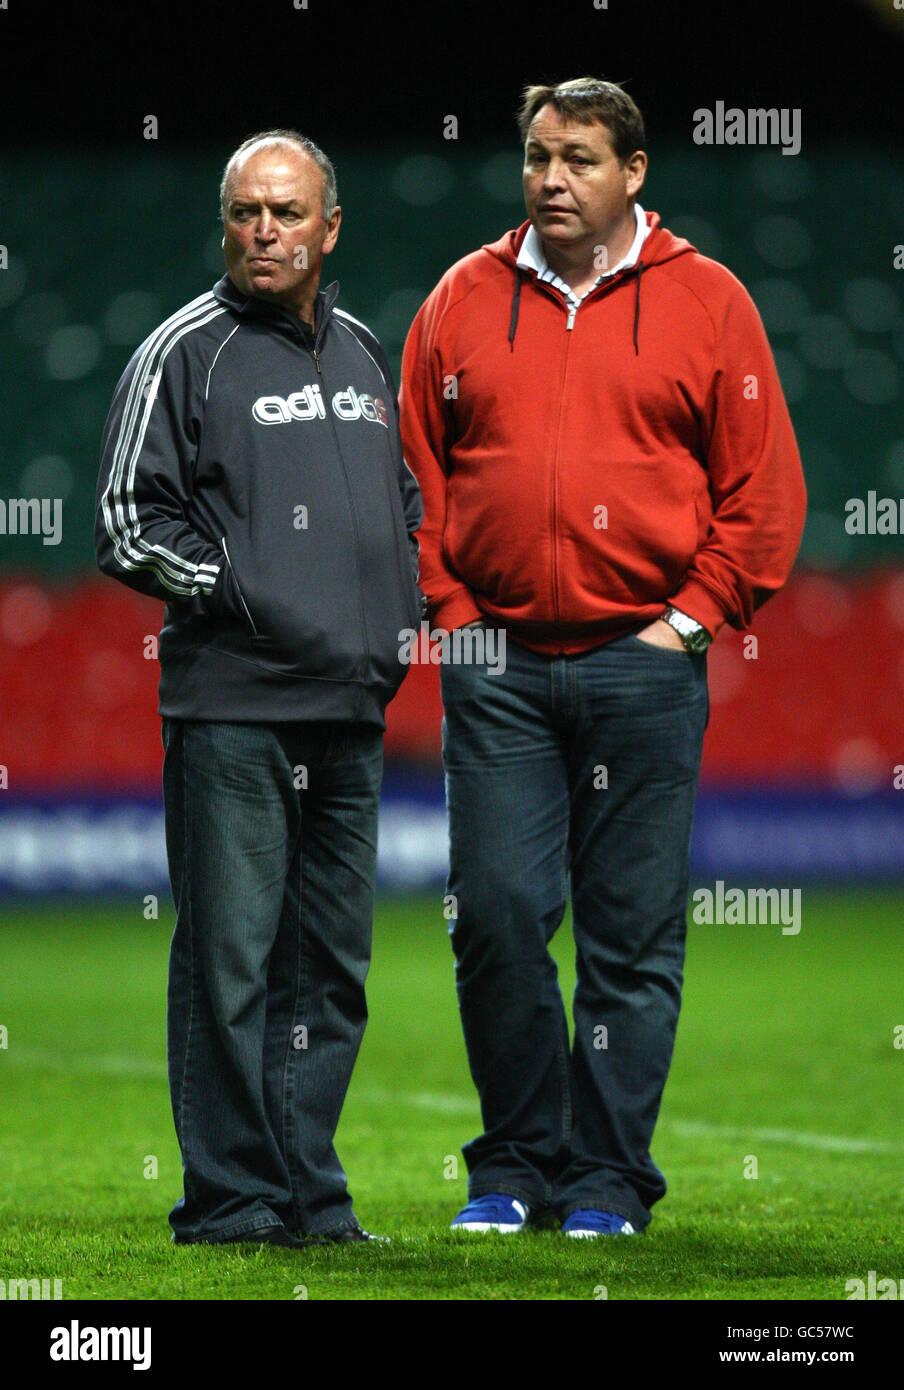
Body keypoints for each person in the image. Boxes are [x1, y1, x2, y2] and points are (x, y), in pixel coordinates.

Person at [400, 78, 806, 1237]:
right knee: (494, 914)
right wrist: (454, 612)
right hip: (502, 667)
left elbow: (764, 492)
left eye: (578, 159)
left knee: (629, 936)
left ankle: (604, 1180)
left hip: (644, 664)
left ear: (634, 172)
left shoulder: (709, 302)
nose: (551, 180)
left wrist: (687, 618)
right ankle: (513, 1166)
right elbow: (411, 475)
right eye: (536, 157)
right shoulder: (462, 297)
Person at [96, 130, 422, 1247]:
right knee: (232, 964)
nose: (265, 232)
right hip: (233, 707)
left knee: (328, 970)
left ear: (329, 229)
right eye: (246, 213)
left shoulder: (367, 352)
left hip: (349, 710)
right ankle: (231, 1201)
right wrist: (248, 591)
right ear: (225, 223)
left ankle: (309, 1198)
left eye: (287, 213)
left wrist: (395, 605)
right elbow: (127, 522)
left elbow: (405, 500)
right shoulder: (182, 350)